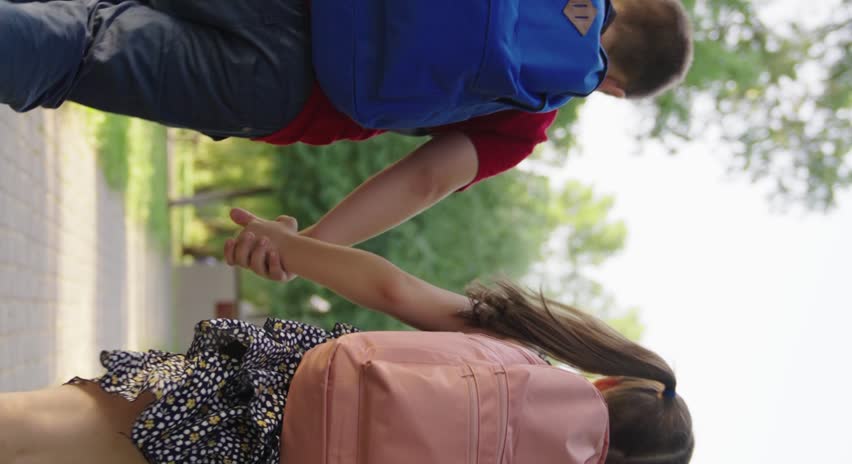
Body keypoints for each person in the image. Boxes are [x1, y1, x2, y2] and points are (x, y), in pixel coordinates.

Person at [0, 208, 694, 464]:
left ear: (609, 383)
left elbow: (393, 292)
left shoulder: (527, 356)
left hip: (267, 392)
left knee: (43, 433)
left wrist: (291, 248)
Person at [0, 0, 693, 257]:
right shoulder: (531, 114)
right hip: (282, 89)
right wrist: (307, 246)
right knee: (82, 49)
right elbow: (424, 179)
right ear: (615, 86)